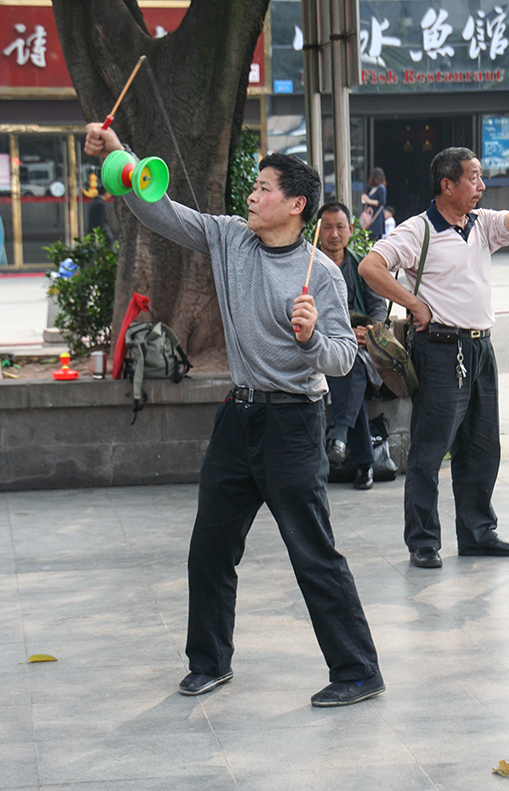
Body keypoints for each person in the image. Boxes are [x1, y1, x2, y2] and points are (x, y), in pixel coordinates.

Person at [84, 122, 385, 707]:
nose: (252, 195)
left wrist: (308, 340)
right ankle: (209, 662)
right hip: (239, 417)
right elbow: (158, 211)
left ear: (297, 205)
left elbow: (344, 357)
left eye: (265, 188)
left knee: (312, 549)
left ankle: (357, 669)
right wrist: (119, 154)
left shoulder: (319, 274)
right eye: (253, 186)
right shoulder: (229, 239)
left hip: (296, 424)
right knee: (210, 548)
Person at [358, 146, 509, 569]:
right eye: (473, 177)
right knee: (430, 451)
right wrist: (413, 303)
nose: (482, 185)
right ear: (446, 185)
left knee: (483, 446)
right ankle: (423, 541)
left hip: (481, 348)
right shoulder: (419, 231)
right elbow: (371, 267)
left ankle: (477, 533)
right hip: (440, 351)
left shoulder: (481, 223)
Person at [317, 201, 388, 490]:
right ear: (318, 231)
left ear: (350, 230)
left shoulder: (362, 266)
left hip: (359, 347)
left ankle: (340, 437)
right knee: (350, 364)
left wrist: (370, 331)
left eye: (340, 227)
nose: (334, 234)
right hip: (321, 343)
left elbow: (378, 307)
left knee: (353, 362)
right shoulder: (308, 266)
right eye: (328, 227)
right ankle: (363, 462)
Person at [361, 167, 387, 241]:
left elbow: (382, 202)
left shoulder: (381, 188)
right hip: (370, 215)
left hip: (376, 217)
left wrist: (368, 200)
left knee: (374, 239)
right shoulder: (372, 188)